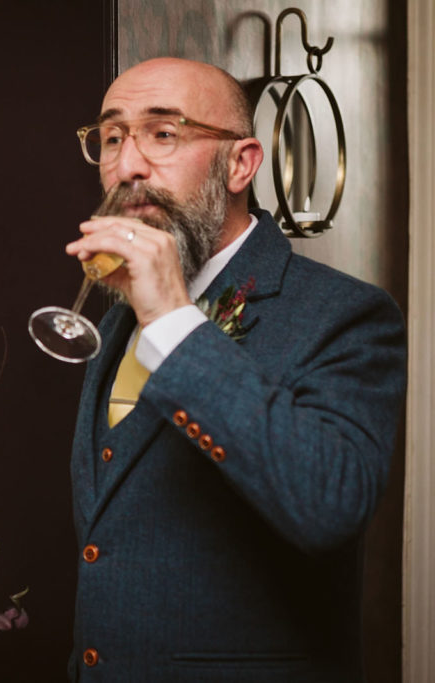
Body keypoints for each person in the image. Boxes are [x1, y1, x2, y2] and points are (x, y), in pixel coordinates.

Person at [63, 57, 407, 682]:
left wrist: (172, 317)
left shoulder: (347, 315)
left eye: (163, 134)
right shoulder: (115, 319)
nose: (128, 164)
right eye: (112, 137)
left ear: (241, 164)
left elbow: (329, 505)